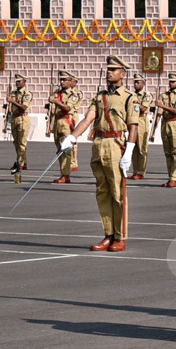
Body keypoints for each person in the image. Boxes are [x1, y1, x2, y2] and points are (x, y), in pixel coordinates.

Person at [61, 55, 140, 252]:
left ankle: (120, 237)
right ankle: (108, 234)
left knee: (118, 193)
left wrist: (129, 151)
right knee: (102, 192)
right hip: (99, 144)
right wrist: (72, 137)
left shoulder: (130, 97)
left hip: (116, 144)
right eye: (108, 69)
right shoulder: (100, 96)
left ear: (123, 74)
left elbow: (133, 127)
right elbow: (88, 119)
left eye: (113, 70)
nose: (109, 72)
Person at [47, 71, 81, 183]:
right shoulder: (57, 92)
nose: (62, 82)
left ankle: (65, 175)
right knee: (59, 149)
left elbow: (67, 108)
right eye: (61, 80)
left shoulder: (73, 94)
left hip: (66, 121)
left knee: (66, 149)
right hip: (57, 121)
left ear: (70, 81)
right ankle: (63, 172)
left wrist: (55, 101)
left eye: (64, 80)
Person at [154, 72, 176, 187]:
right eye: (170, 81)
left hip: (175, 123)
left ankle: (174, 177)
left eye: (173, 81)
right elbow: (160, 112)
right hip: (165, 123)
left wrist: (161, 105)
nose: (171, 83)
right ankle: (170, 177)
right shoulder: (164, 95)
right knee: (167, 152)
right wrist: (155, 125)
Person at [3, 73, 32, 171]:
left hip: (23, 118)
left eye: (19, 81)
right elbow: (10, 107)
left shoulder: (27, 94)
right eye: (16, 81)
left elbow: (24, 107)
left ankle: (20, 162)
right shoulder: (13, 93)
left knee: (22, 142)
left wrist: (12, 101)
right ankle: (23, 161)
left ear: (24, 82)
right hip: (14, 118)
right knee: (16, 142)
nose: (17, 83)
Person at [130, 73, 155, 180]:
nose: (135, 84)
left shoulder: (147, 95)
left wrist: (134, 103)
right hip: (133, 120)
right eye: (135, 82)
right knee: (133, 147)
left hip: (141, 120)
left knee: (142, 147)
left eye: (138, 82)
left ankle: (141, 171)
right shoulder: (132, 95)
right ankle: (135, 170)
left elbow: (143, 108)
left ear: (143, 83)